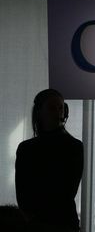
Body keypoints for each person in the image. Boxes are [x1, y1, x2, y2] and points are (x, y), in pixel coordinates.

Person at [15, 89, 83, 232]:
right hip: (43, 222)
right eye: (52, 108)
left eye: (60, 107)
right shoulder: (26, 148)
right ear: (39, 112)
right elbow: (22, 193)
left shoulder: (75, 146)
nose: (58, 112)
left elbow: (68, 191)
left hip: (58, 223)